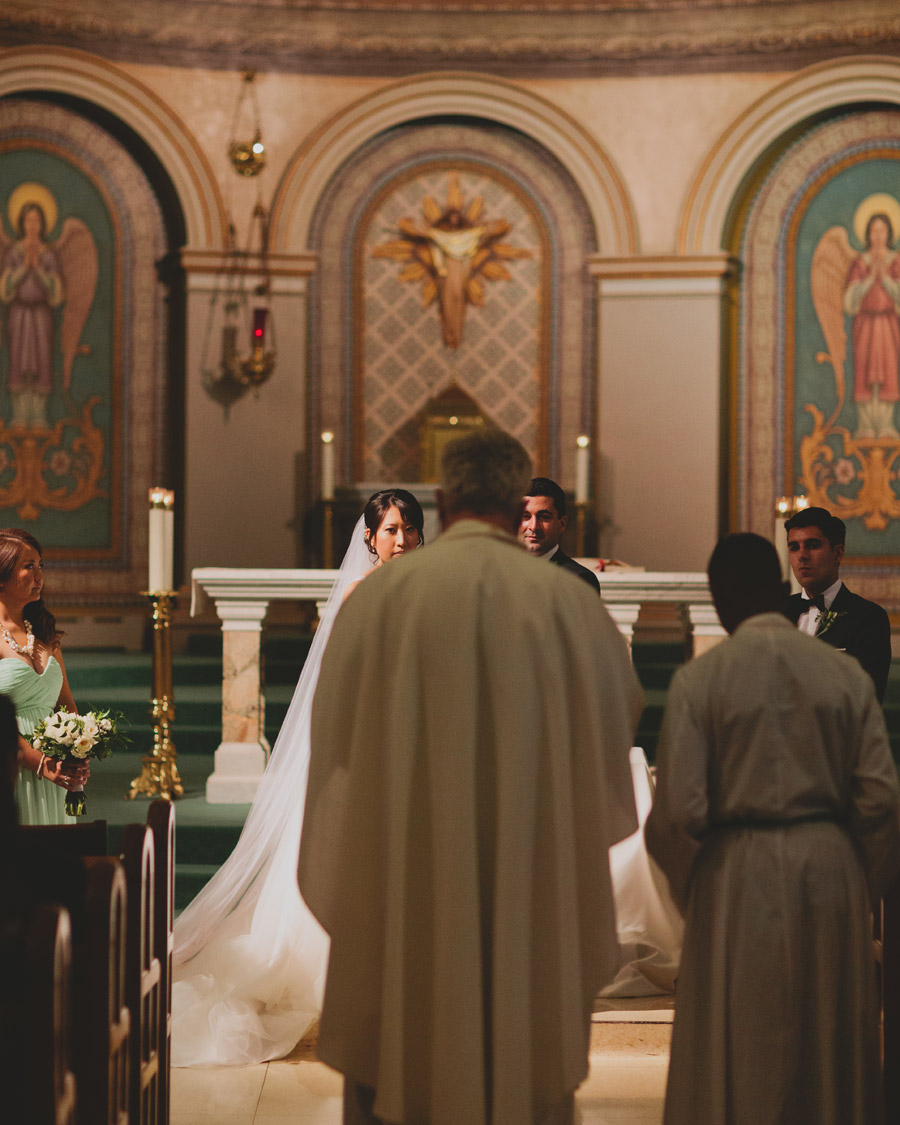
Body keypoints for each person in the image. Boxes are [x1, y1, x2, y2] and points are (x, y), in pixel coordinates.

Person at [299, 429, 643, 1125]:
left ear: (446, 498)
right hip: (531, 885)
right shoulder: (573, 607)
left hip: (407, 887)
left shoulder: (378, 603)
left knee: (398, 1046)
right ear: (513, 502)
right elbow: (616, 747)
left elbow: (332, 756)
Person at [645, 532, 900, 1125]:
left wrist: (700, 891)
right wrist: (854, 881)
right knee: (824, 1045)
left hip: (736, 872)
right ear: (777, 584)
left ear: (721, 597)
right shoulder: (841, 676)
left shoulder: (702, 681)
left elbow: (678, 812)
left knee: (741, 1047)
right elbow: (881, 800)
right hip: (828, 868)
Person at [171, 489, 425, 1067]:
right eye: (390, 529)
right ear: (369, 538)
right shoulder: (359, 594)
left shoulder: (431, 589)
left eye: (409, 528)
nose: (402, 539)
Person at [0, 528, 85, 825]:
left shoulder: (46, 633)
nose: (39, 575)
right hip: (9, 767)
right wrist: (36, 761)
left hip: (54, 772)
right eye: (28, 566)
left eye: (41, 566)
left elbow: (67, 704)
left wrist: (78, 751)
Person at [783, 505, 891, 702]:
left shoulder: (868, 619)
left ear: (838, 553)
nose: (802, 555)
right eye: (794, 547)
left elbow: (866, 700)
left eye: (813, 545)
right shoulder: (778, 612)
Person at [0, 203, 64, 429]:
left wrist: (37, 269)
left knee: (40, 361)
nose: (32, 225)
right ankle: (19, 415)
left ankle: (38, 416)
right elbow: (5, 290)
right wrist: (23, 268)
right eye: (28, 220)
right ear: (21, 223)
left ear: (43, 224)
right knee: (19, 360)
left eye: (37, 220)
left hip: (41, 316)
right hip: (19, 315)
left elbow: (57, 293)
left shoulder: (47, 255)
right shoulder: (14, 253)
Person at [843, 211, 900, 439]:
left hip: (888, 324)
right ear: (867, 234)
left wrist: (884, 277)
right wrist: (869, 278)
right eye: (873, 230)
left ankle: (886, 425)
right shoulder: (860, 262)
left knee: (887, 370)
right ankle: (866, 426)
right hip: (865, 324)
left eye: (882, 230)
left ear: (889, 233)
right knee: (866, 371)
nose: (878, 235)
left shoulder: (895, 261)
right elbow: (849, 300)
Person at [519, 476, 601, 592]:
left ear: (562, 524)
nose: (533, 526)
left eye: (544, 517)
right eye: (526, 517)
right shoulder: (500, 572)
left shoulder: (579, 579)